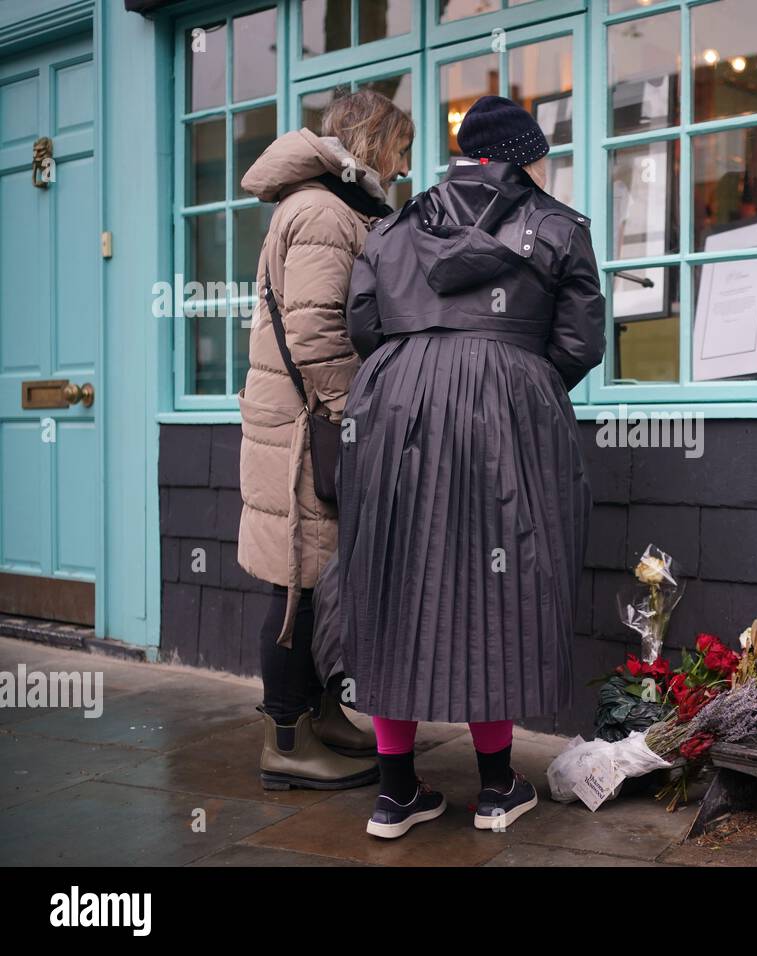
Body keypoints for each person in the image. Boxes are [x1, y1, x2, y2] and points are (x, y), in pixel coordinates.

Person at [339, 95, 605, 837]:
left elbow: (362, 323)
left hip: (393, 411)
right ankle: (495, 788)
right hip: (508, 409)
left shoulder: (391, 226)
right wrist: (517, 382)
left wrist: (413, 377)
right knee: (502, 582)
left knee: (394, 578)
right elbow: (581, 342)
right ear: (525, 156)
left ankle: (396, 795)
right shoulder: (558, 227)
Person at [237, 91, 414, 790]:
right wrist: (359, 412)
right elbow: (314, 335)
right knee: (296, 587)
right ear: (371, 143)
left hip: (309, 426)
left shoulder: (334, 207)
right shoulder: (320, 212)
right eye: (400, 147)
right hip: (306, 433)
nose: (404, 164)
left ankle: (318, 713)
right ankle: (285, 737)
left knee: (317, 577)